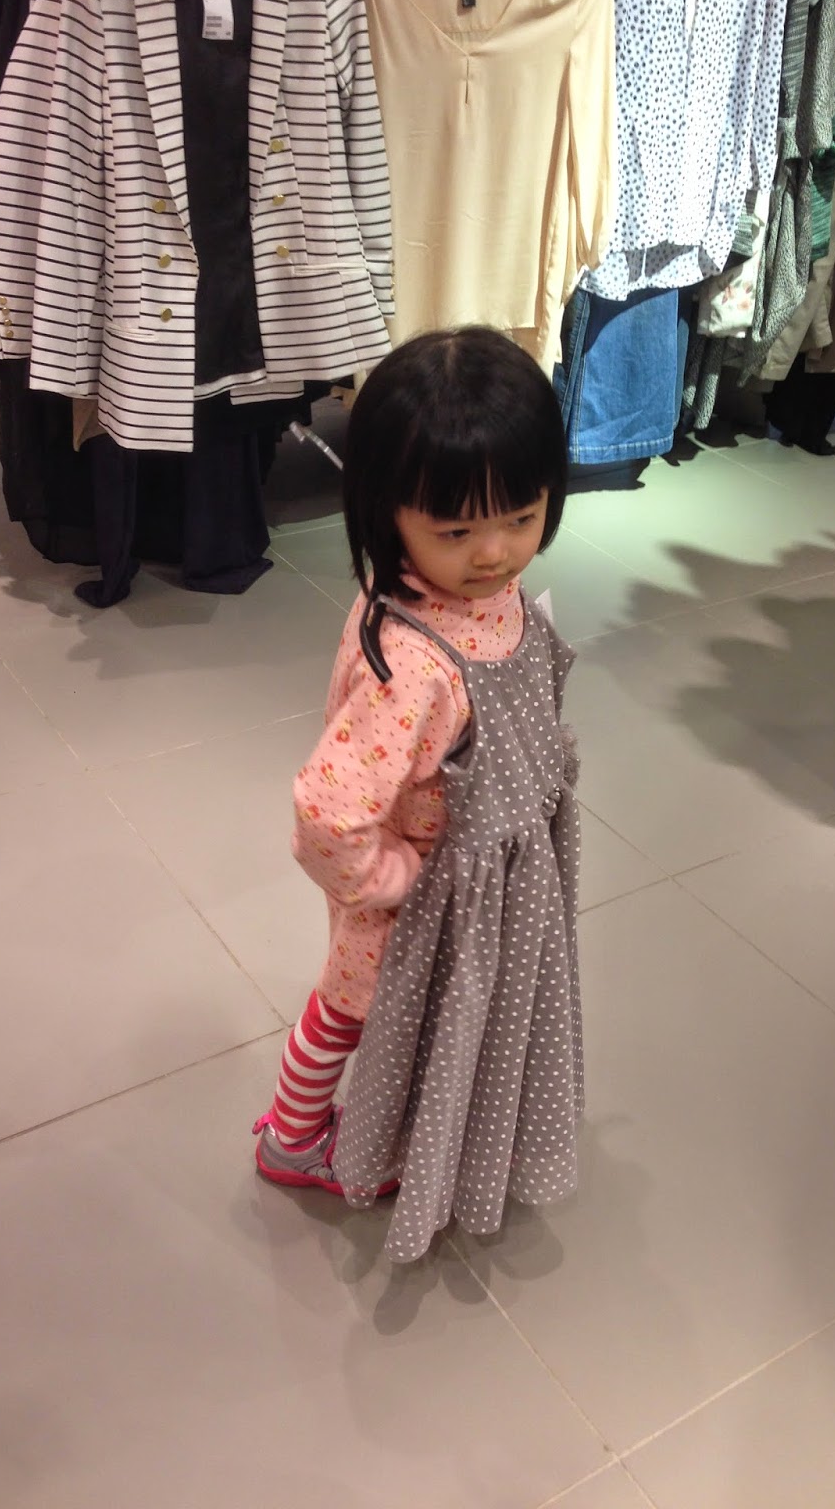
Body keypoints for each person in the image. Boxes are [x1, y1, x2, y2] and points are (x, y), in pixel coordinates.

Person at [252, 326, 585, 1263]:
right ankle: (291, 1137)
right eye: (455, 531)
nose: (495, 554)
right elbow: (328, 813)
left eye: (522, 516)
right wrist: (388, 877)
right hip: (424, 898)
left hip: (488, 879)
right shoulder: (413, 665)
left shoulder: (481, 594)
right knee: (353, 1006)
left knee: (439, 1013)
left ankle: (414, 1126)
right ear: (384, 510)